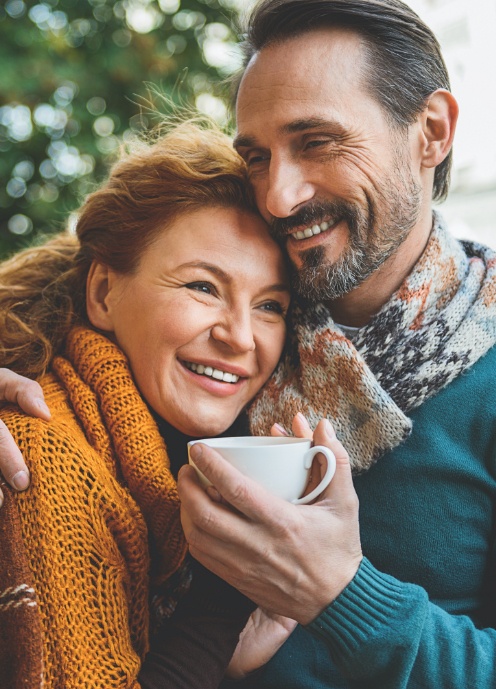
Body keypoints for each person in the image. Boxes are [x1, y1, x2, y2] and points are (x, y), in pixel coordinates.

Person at [2, 0, 496, 686]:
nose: (279, 196)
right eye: (257, 157)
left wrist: (341, 592)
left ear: (432, 132)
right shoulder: (214, 356)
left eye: (317, 142)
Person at [0, 118, 301, 688]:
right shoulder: (44, 458)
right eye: (203, 287)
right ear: (103, 292)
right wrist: (220, 608)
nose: (241, 337)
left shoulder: (154, 461)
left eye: (270, 306)